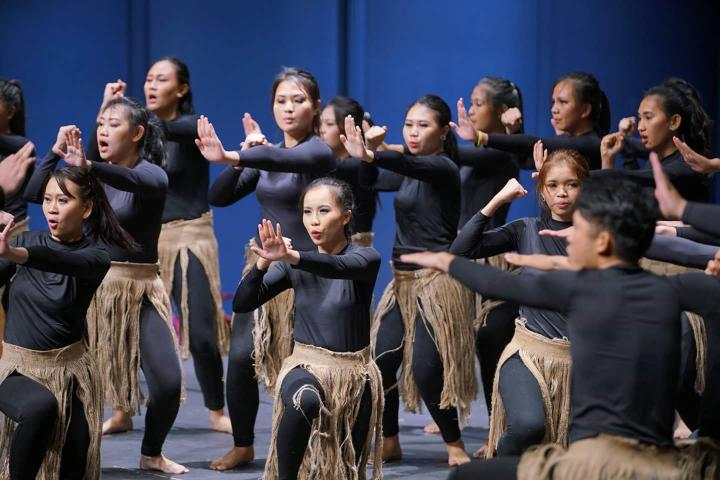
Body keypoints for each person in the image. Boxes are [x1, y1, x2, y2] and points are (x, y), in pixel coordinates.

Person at [403, 173, 720, 480]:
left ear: (603, 241)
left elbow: (499, 283)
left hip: (596, 465)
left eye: (578, 230)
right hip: (658, 464)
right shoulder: (674, 290)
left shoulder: (579, 291)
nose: (570, 235)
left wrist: (448, 262)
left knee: (469, 475)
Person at [24, 100, 187, 474]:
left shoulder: (147, 174)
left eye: (113, 124)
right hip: (91, 286)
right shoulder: (91, 177)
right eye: (100, 123)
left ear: (137, 133)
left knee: (166, 382)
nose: (102, 130)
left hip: (140, 287)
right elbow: (36, 192)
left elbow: (147, 181)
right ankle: (62, 456)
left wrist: (90, 166)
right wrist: (54, 151)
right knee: (78, 381)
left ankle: (151, 453)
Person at [198, 67, 335, 470]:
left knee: (307, 364)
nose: (288, 108)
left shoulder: (318, 152)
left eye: (298, 100)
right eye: (281, 100)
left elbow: (287, 158)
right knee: (241, 358)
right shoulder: (265, 155)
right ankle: (244, 444)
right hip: (264, 267)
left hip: (309, 270)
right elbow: (218, 196)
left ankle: (314, 444)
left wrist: (236, 154)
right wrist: (240, 161)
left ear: (316, 107)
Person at [87, 57, 231, 432]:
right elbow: (91, 159)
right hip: (140, 243)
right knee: (125, 328)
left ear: (181, 89)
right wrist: (110, 114)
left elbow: (173, 129)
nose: (151, 85)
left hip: (188, 236)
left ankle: (216, 411)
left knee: (201, 330)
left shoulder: (189, 128)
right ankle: (121, 410)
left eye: (161, 80)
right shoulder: (140, 135)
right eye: (148, 78)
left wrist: (124, 115)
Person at [342, 95, 476, 466]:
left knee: (425, 369)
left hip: (437, 283)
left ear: (444, 131)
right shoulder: (406, 169)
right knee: (381, 363)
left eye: (424, 125)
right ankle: (390, 441)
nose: (414, 132)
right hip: (401, 281)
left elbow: (404, 163)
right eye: (409, 125)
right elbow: (369, 180)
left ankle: (454, 444)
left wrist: (372, 152)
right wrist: (366, 157)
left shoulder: (444, 168)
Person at [234, 178, 382, 479]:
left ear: (346, 216)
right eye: (307, 212)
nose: (313, 221)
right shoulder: (293, 265)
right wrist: (262, 265)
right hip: (306, 366)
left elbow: (337, 267)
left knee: (349, 469)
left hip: (355, 375)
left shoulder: (366, 258)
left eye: (324, 211)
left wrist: (294, 257)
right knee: (306, 399)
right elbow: (243, 302)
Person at [450, 149, 589, 457]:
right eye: (553, 185)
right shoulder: (525, 229)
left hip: (582, 360)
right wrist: (496, 202)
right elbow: (460, 252)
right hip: (529, 354)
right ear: (542, 190)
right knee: (528, 426)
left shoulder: (599, 236)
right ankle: (496, 467)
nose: (562, 193)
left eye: (572, 184)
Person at [0, 166, 133, 479]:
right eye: (46, 200)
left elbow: (59, 259)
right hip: (16, 369)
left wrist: (17, 253)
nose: (52, 208)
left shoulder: (96, 257)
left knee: (77, 450)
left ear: (86, 208)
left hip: (71, 373)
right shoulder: (25, 240)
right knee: (39, 408)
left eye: (62, 200)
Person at [455, 72, 610, 170]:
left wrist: (480, 137)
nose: (554, 109)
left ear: (585, 110)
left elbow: (533, 144)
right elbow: (525, 161)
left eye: (563, 102)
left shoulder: (594, 144)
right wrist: (515, 131)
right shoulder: (566, 140)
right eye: (553, 102)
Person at [319, 96, 378, 246]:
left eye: (329, 124)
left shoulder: (358, 166)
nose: (321, 129)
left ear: (349, 128)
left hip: (352, 250)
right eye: (320, 123)